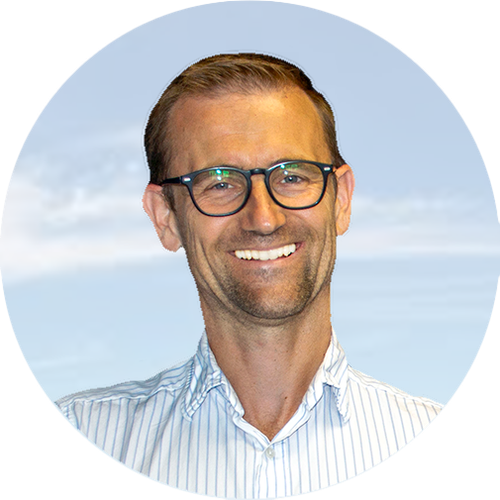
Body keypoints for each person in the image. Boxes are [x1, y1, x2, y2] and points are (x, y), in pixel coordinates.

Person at [56, 53, 443, 498]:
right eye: (220, 183)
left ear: (341, 200)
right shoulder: (88, 432)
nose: (264, 218)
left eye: (292, 177)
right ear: (165, 216)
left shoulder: (419, 429)